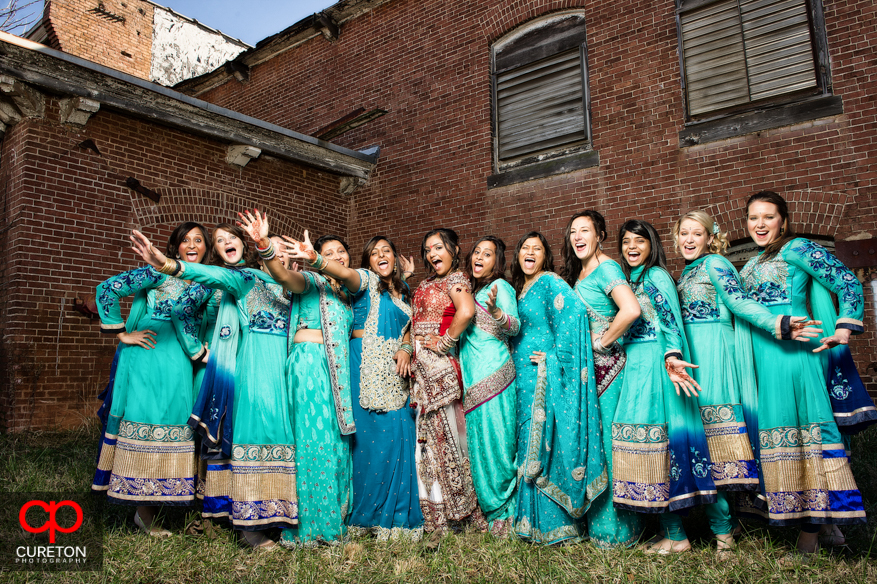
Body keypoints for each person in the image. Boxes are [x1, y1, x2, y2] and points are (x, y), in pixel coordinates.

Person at [130, 223, 297, 549]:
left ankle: (270, 515)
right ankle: (240, 522)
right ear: (261, 254)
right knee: (238, 440)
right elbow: (204, 279)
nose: (278, 255)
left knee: (277, 442)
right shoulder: (245, 278)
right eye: (270, 249)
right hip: (245, 369)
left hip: (285, 372)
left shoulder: (293, 289)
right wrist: (165, 264)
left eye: (284, 251)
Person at [672, 209, 822, 555]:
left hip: (716, 358)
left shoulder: (716, 264)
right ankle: (729, 523)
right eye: (684, 234)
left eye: (697, 234)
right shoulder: (686, 272)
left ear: (711, 237)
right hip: (695, 358)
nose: (689, 240)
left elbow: (740, 301)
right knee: (710, 444)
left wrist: (777, 323)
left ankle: (744, 527)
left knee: (723, 442)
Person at [738, 190, 869, 558]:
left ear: (783, 220)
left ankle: (809, 539)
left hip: (795, 360)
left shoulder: (797, 248)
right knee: (786, 442)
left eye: (768, 217)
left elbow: (847, 281)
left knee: (809, 440)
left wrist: (844, 328)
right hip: (765, 360)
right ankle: (828, 527)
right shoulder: (753, 261)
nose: (760, 225)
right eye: (753, 218)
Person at [278, 228, 423, 541]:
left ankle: (396, 516)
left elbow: (408, 328)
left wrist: (407, 347)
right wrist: (316, 260)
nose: (381, 256)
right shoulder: (363, 281)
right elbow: (342, 271)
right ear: (367, 262)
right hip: (363, 368)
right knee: (372, 443)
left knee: (401, 437)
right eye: (374, 252)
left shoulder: (403, 289)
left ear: (396, 259)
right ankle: (367, 516)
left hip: (395, 374)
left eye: (387, 251)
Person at [239, 212, 357, 547]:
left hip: (336, 372)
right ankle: (313, 527)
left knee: (335, 444)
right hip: (310, 366)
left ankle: (333, 518)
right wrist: (264, 245)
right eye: (328, 252)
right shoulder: (311, 281)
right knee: (313, 443)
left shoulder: (346, 292)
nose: (336, 257)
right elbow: (282, 275)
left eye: (340, 252)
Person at [93, 222, 211, 536]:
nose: (192, 245)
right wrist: (121, 333)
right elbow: (107, 289)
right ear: (175, 246)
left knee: (173, 422)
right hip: (147, 353)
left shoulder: (205, 281)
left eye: (198, 240)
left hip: (180, 359)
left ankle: (161, 499)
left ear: (206, 248)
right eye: (185, 240)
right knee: (144, 420)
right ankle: (143, 513)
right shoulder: (157, 272)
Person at [610, 219, 716, 554]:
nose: (632, 247)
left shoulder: (655, 276)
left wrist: (672, 355)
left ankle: (698, 532)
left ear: (651, 244)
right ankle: (673, 532)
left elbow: (670, 320)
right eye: (626, 241)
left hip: (656, 368)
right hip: (635, 367)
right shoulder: (630, 281)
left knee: (664, 446)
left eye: (639, 241)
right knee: (647, 449)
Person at [509, 231, 606, 545]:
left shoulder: (549, 282)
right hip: (520, 378)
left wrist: (553, 356)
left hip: (542, 375)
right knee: (525, 441)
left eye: (537, 249)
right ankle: (527, 523)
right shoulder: (517, 290)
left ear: (545, 258)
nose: (531, 252)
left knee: (546, 443)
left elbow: (574, 314)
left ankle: (555, 526)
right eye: (526, 247)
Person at [560, 211, 643, 548]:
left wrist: (603, 341)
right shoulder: (582, 273)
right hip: (587, 374)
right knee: (592, 443)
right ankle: (596, 525)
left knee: (608, 446)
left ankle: (618, 532)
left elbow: (631, 310)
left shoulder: (607, 268)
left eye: (585, 230)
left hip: (607, 370)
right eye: (573, 231)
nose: (577, 236)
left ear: (600, 236)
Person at [410, 228, 484, 535]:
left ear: (453, 249)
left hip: (440, 371)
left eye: (438, 247)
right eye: (428, 249)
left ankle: (461, 514)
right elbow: (412, 322)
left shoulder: (457, 279)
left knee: (450, 442)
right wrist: (406, 347)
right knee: (426, 447)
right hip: (419, 372)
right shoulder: (426, 283)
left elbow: (465, 312)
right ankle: (436, 515)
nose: (432, 254)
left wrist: (443, 343)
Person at [458, 236, 519, 536]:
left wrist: (496, 313)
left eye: (488, 254)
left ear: (498, 261)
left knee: (498, 442)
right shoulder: (472, 290)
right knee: (480, 444)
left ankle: (507, 512)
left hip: (495, 375)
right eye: (477, 253)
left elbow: (516, 326)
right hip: (472, 379)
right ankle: (490, 510)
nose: (480, 257)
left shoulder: (501, 288)